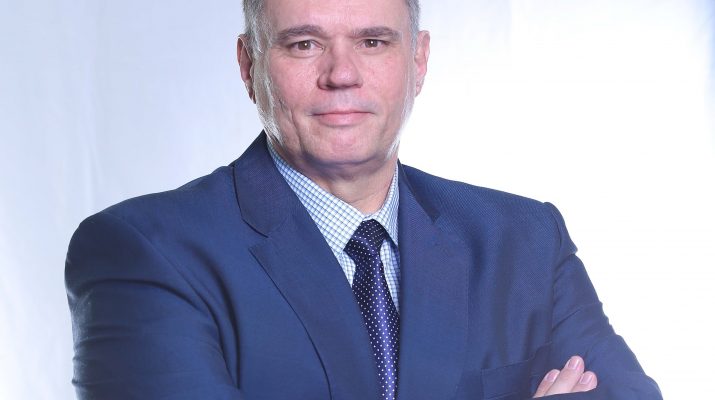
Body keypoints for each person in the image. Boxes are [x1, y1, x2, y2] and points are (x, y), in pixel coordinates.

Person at [65, 0, 662, 398]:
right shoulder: (145, 253)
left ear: (418, 61)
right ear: (249, 66)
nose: (341, 74)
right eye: (304, 44)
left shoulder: (525, 239)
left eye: (373, 41)